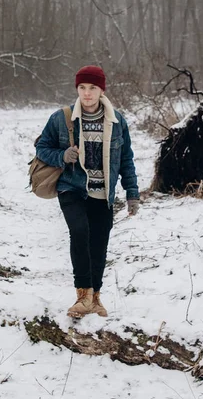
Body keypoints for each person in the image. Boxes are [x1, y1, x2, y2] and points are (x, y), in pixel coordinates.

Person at [36, 65, 140, 318]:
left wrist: (132, 192)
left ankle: (95, 297)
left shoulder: (117, 121)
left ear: (101, 89)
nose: (87, 93)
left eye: (92, 88)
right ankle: (82, 295)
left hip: (103, 193)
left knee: (99, 242)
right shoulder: (62, 118)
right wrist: (62, 155)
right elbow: (41, 147)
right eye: (82, 88)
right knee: (80, 231)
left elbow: (125, 159)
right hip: (72, 187)